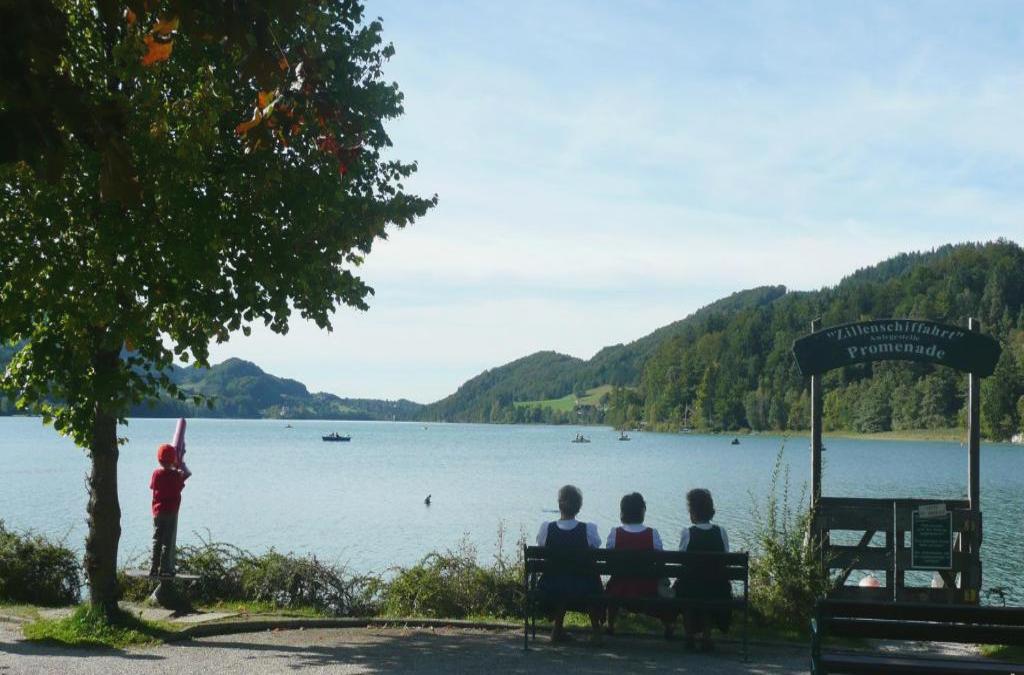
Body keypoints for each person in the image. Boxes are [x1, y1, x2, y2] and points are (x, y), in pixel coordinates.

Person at [536, 484, 603, 643]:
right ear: (579, 507)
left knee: (562, 582)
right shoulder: (588, 530)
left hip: (552, 584)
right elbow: (596, 546)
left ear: (560, 505)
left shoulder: (547, 528)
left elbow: (541, 545)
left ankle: (557, 630)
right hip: (584, 585)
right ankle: (596, 632)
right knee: (588, 579)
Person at [604, 492, 673, 637]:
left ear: (623, 512)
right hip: (647, 587)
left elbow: (609, 561)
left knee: (613, 584)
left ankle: (610, 624)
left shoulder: (615, 533)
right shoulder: (652, 534)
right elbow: (661, 560)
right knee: (661, 584)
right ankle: (668, 625)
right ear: (642, 511)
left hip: (620, 587)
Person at [676, 488, 731, 651]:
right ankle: (707, 637)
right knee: (708, 590)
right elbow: (725, 557)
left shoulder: (687, 533)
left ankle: (689, 637)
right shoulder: (721, 532)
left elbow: (681, 559)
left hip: (690, 587)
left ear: (692, 512)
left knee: (686, 589)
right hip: (717, 587)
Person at [150, 443, 190, 577]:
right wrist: (179, 471)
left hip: (157, 511)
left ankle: (153, 567)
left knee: (156, 539)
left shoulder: (156, 474)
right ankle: (165, 568)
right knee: (167, 541)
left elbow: (152, 487)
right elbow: (182, 483)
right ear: (173, 459)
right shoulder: (176, 476)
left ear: (159, 459)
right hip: (171, 512)